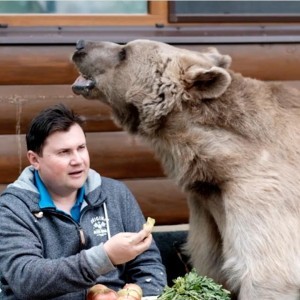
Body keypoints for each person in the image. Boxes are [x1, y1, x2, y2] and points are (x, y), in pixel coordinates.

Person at [0, 104, 167, 299]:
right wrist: (104, 257)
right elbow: (26, 279)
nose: (78, 160)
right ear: (35, 160)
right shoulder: (12, 208)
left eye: (81, 148)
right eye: (64, 152)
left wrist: (135, 295)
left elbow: (148, 265)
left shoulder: (115, 194)